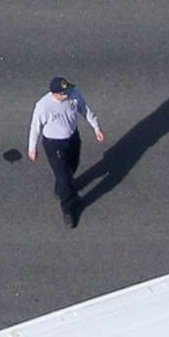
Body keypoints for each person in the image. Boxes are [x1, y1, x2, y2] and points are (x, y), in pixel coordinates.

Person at [25, 76, 104, 228]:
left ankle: (61, 188)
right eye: (64, 93)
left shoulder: (74, 94)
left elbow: (85, 109)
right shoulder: (43, 106)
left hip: (73, 138)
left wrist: (96, 127)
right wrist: (32, 148)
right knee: (64, 177)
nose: (67, 94)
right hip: (54, 144)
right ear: (54, 93)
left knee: (73, 165)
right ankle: (68, 208)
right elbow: (35, 128)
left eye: (68, 90)